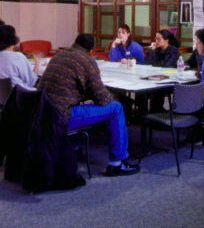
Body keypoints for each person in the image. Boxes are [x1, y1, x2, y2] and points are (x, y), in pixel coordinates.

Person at [37, 34, 139, 177]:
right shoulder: (86, 61)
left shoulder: (59, 55)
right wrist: (113, 97)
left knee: (80, 103)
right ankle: (117, 163)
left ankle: (75, 147)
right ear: (91, 51)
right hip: (60, 117)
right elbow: (101, 97)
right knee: (116, 108)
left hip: (41, 113)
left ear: (75, 43)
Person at [0, 25, 39, 90]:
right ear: (12, 38)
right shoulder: (18, 57)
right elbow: (31, 82)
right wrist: (37, 62)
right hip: (21, 96)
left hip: (2, 98)